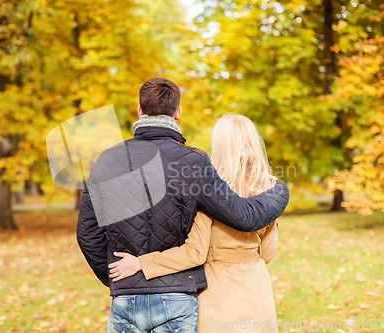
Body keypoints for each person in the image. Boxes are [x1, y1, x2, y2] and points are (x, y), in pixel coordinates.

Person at [77, 78, 289, 333]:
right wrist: (278, 192)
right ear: (178, 112)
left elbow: (87, 233)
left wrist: (119, 277)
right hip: (177, 296)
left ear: (139, 110)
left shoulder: (107, 160)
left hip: (126, 295)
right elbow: (244, 217)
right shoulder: (193, 161)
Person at [109, 114, 282, 333]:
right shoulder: (267, 189)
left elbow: (194, 253)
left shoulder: (210, 189)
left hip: (219, 292)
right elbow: (267, 254)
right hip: (258, 290)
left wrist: (142, 263)